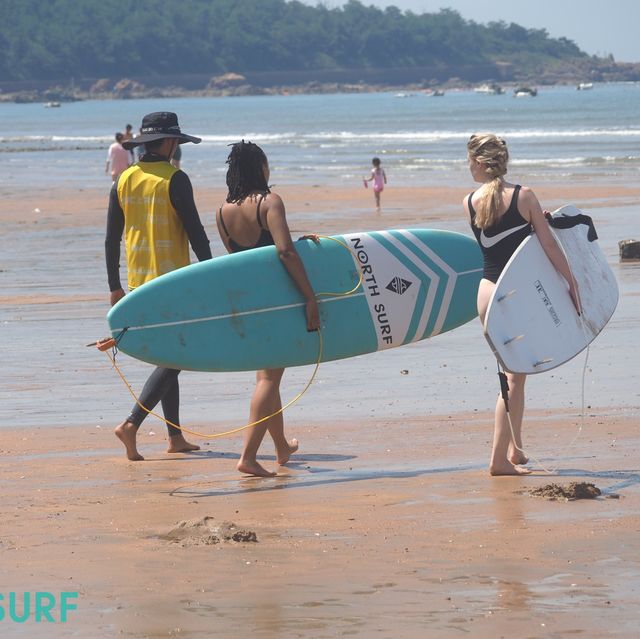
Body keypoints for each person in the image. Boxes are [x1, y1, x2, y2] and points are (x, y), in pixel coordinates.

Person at [464, 133, 580, 476]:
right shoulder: (524, 196)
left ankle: (515, 450)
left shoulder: (469, 201)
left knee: (517, 375)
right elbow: (547, 246)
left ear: (482, 164)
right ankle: (498, 460)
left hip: (487, 293)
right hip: (515, 294)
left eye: (470, 161)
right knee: (513, 379)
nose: (468, 167)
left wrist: (530, 224)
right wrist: (571, 282)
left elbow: (500, 245)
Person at [105, 111, 212, 461]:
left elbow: (110, 238)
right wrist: (213, 274)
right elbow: (196, 233)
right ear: (168, 143)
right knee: (175, 356)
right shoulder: (175, 179)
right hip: (172, 283)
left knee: (169, 355)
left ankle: (175, 437)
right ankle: (131, 423)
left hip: (137, 285)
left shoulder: (124, 180)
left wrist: (115, 286)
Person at [216, 141, 320, 477]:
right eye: (266, 163)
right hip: (278, 301)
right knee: (269, 378)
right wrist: (309, 296)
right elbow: (284, 253)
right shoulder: (270, 202)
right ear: (260, 167)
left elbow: (244, 260)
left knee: (267, 375)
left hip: (249, 303)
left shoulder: (222, 212)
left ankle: (280, 448)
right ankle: (247, 456)